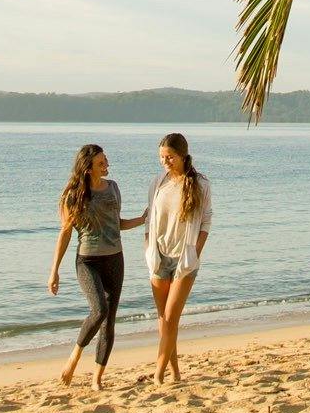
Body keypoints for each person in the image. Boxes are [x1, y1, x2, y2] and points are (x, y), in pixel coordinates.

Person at [48, 143, 137, 387]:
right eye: (101, 162)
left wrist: (142, 220)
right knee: (99, 310)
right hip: (87, 261)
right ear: (88, 168)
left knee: (109, 321)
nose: (106, 164)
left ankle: (97, 379)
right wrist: (54, 270)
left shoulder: (114, 188)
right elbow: (65, 233)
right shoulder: (73, 196)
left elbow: (116, 224)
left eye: (106, 160)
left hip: (115, 259)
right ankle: (74, 358)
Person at [143, 132, 212, 385]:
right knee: (163, 321)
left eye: (169, 157)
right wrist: (148, 245)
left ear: (182, 156)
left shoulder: (200, 184)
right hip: (159, 257)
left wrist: (195, 251)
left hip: (184, 260)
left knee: (171, 318)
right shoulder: (157, 182)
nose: (165, 162)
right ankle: (175, 372)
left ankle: (158, 375)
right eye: (162, 157)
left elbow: (206, 221)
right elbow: (150, 218)